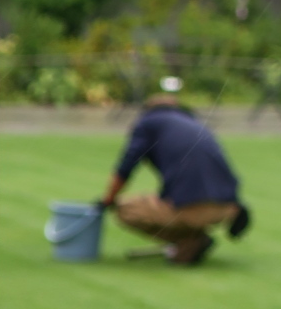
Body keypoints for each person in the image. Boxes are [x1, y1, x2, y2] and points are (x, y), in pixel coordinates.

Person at [100, 94, 251, 265]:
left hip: (193, 206)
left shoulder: (149, 123)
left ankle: (190, 241)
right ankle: (193, 239)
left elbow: (126, 167)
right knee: (179, 202)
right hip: (229, 205)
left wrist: (108, 200)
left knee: (125, 209)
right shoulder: (195, 124)